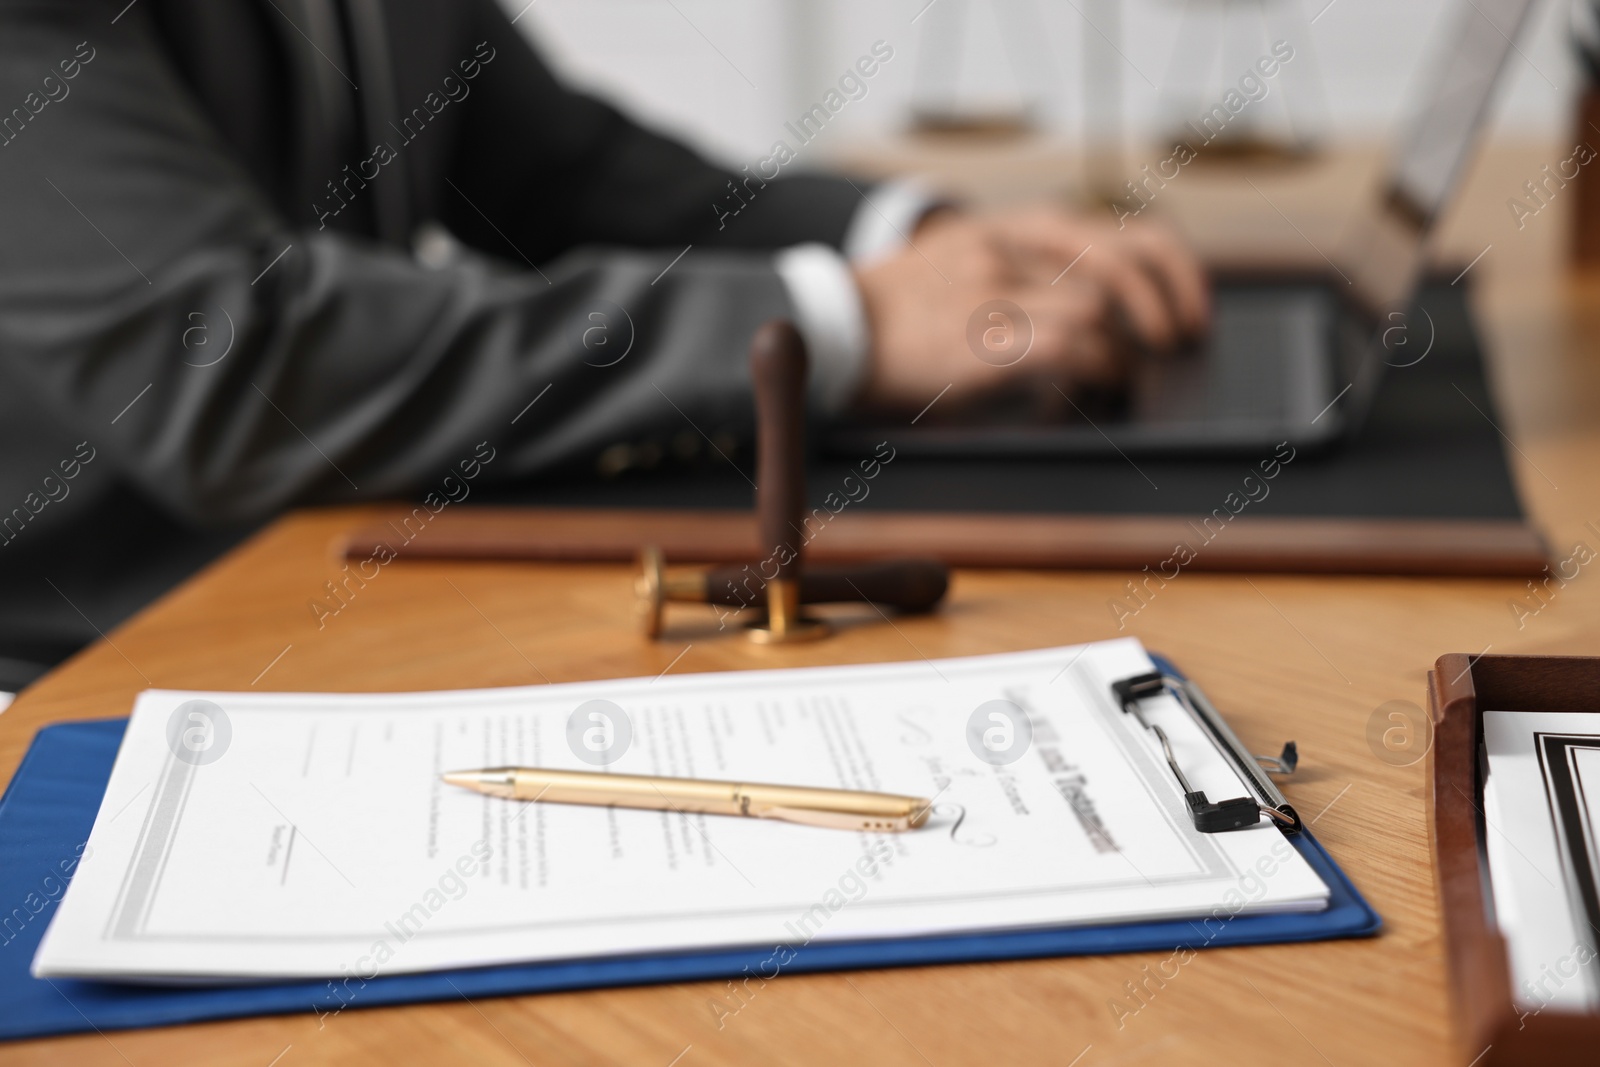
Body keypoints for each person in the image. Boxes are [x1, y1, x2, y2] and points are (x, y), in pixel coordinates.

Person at [0, 0, 1207, 691]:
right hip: (89, 677)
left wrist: (920, 240)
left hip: (343, 571)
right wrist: (844, 318)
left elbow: (569, 172)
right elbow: (231, 358)